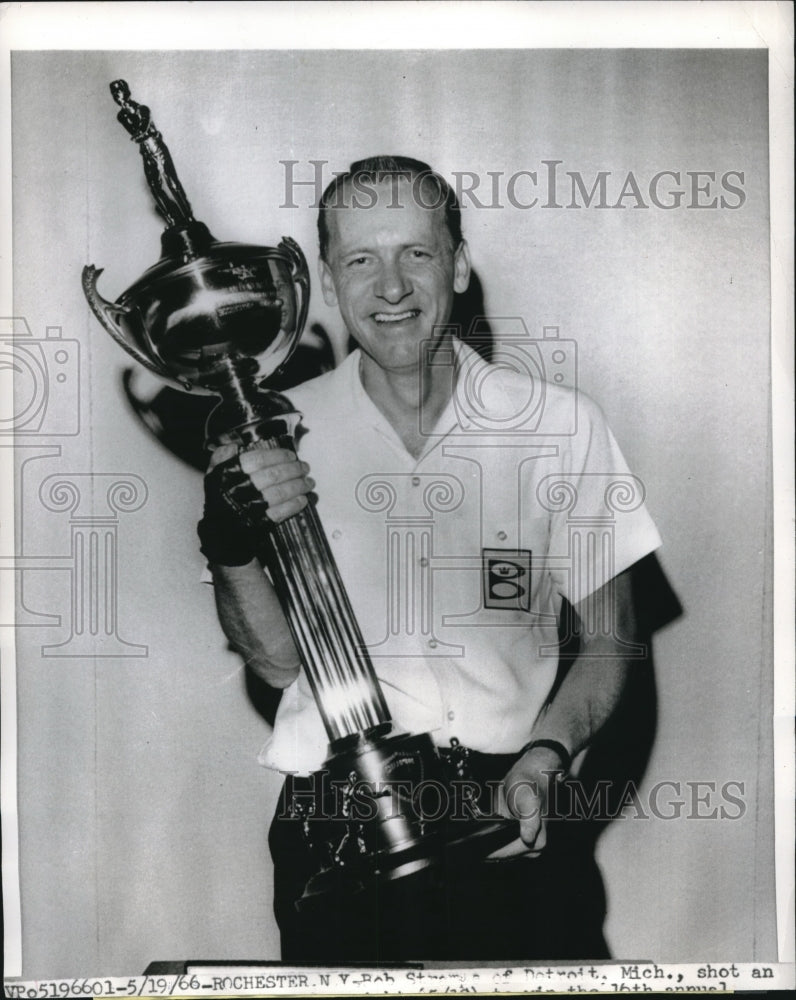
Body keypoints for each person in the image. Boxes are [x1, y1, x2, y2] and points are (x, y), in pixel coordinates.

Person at [197, 156, 662, 962]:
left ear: (458, 262)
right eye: (360, 260)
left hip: (506, 814)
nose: (392, 286)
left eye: (416, 253)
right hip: (334, 828)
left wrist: (547, 759)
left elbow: (614, 641)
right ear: (330, 285)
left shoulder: (560, 427)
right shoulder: (268, 434)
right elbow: (276, 665)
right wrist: (229, 540)